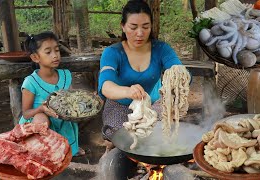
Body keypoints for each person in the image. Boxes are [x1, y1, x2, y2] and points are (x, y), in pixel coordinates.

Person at [98, 0, 187, 142]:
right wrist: (128, 91)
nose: (140, 33)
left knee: (159, 135)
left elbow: (180, 72)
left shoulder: (161, 49)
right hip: (119, 104)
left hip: (154, 103)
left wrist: (181, 76)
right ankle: (111, 152)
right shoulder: (112, 52)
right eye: (133, 27)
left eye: (145, 27)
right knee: (121, 138)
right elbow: (106, 86)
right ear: (123, 26)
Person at [18, 31, 85, 156]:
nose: (55, 55)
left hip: (62, 119)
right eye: (48, 52)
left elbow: (71, 98)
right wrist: (41, 108)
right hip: (39, 122)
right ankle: (39, 150)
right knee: (41, 119)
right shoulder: (31, 82)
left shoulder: (65, 75)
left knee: (75, 111)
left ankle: (71, 147)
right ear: (35, 58)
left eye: (57, 50)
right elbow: (26, 114)